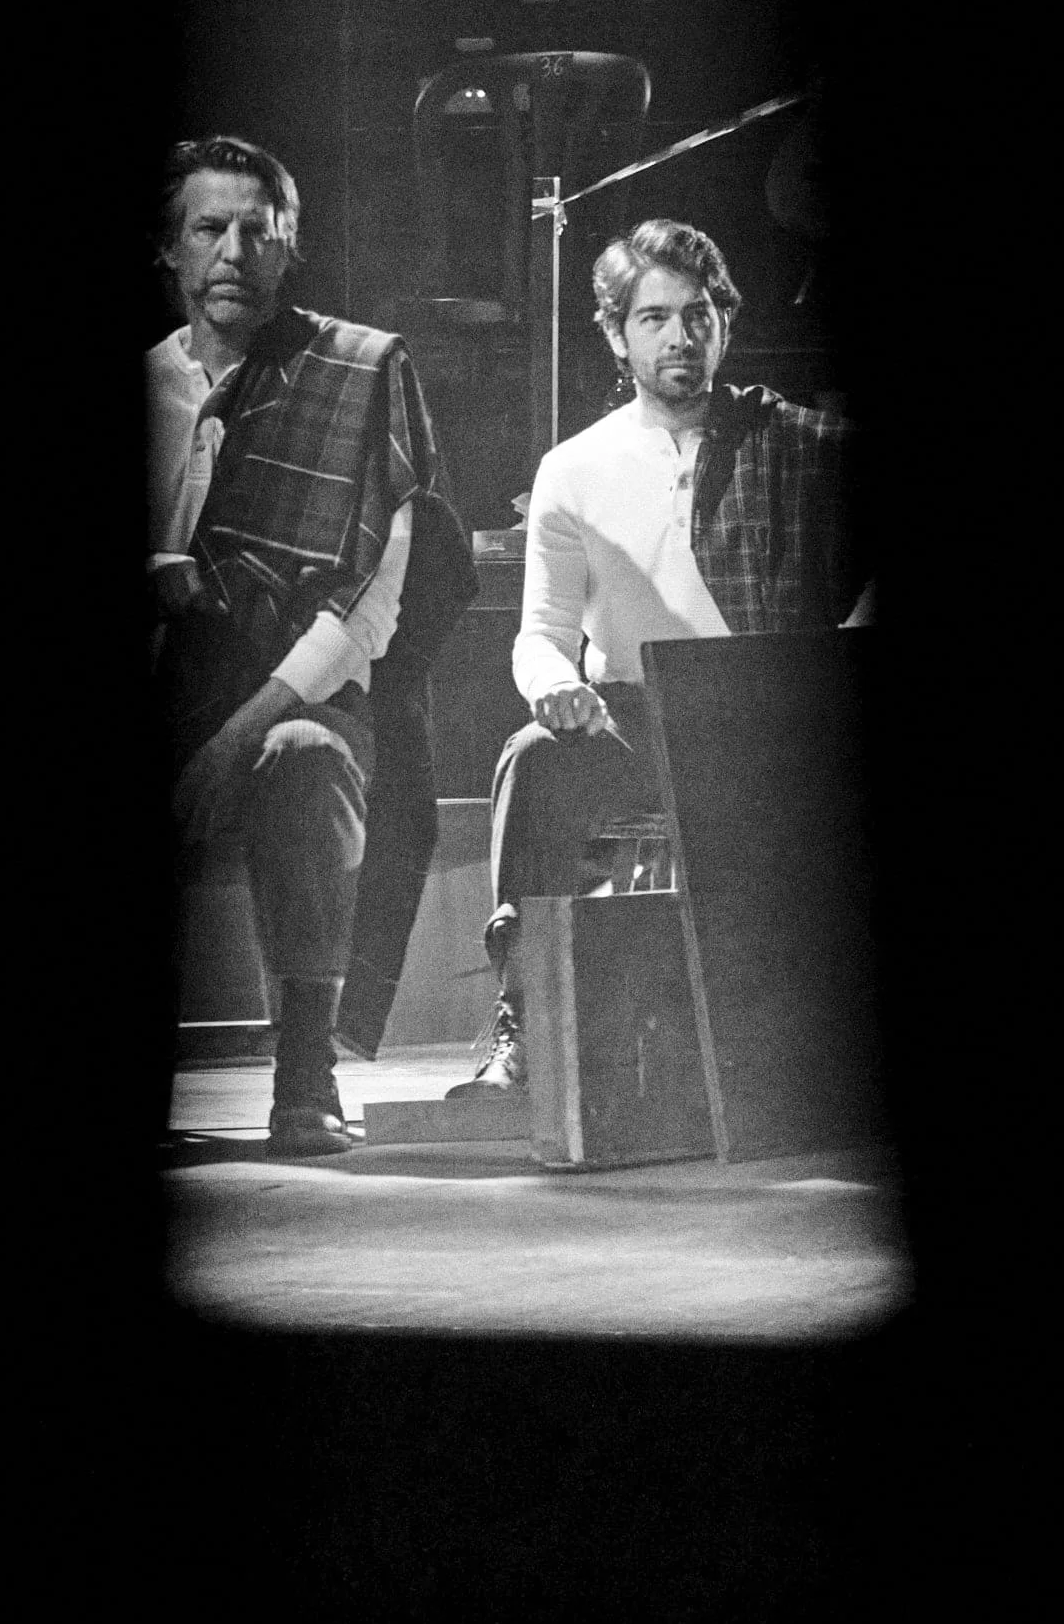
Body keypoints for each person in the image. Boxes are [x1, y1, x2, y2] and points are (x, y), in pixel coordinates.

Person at [454, 216, 861, 1097]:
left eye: (699, 314)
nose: (681, 335)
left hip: (774, 723)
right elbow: (541, 632)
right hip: (636, 722)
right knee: (535, 758)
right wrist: (556, 689)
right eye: (654, 317)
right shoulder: (576, 468)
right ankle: (522, 1021)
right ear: (616, 334)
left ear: (726, 323)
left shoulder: (795, 442)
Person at [150, 134, 447, 1158]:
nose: (232, 252)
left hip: (298, 702)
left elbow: (364, 611)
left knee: (304, 760)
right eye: (208, 228)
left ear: (291, 248)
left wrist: (234, 736)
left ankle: (305, 1073)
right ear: (170, 248)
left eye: (257, 230)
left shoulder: (357, 374)